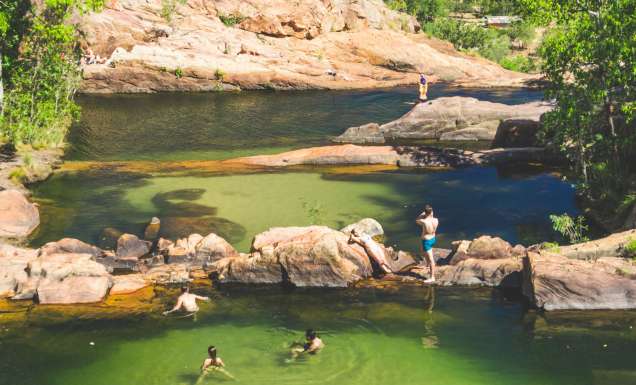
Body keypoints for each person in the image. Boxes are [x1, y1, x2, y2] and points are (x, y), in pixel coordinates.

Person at [416, 204, 438, 283]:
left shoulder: (424, 222)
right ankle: (427, 264)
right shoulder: (436, 220)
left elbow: (417, 220)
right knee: (423, 252)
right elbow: (431, 215)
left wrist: (422, 214)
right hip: (433, 239)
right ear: (432, 212)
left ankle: (432, 277)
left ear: (425, 213)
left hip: (427, 241)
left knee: (431, 259)